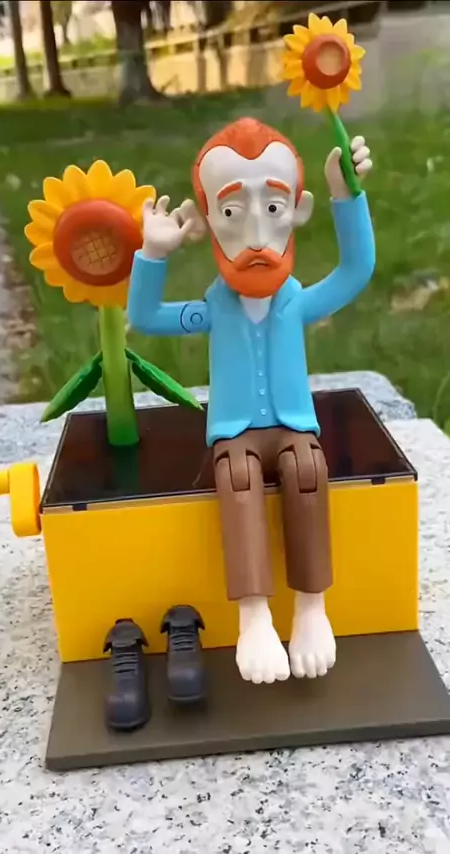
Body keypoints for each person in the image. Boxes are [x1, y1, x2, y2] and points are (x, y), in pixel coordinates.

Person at [128, 117, 375, 685]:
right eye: (233, 212)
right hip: (234, 432)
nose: (257, 236)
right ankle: (255, 617)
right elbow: (145, 317)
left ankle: (311, 610)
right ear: (206, 220)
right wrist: (154, 254)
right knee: (236, 477)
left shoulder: (296, 302)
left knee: (307, 468)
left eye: (274, 207)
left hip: (295, 425)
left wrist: (347, 197)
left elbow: (357, 269)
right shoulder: (214, 309)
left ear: (300, 210)